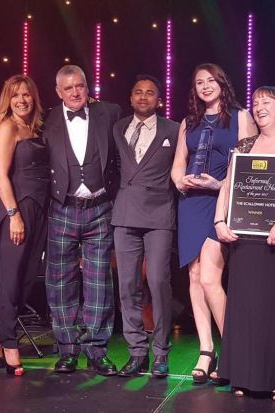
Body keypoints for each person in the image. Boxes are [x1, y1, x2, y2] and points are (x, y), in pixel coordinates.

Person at [214, 86, 275, 400]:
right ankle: (242, 375)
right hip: (245, 237)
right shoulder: (244, 145)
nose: (258, 107)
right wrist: (219, 221)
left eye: (265, 102)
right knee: (245, 305)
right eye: (255, 103)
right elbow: (228, 185)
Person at [171, 63, 257, 384]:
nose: (205, 86)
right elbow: (178, 165)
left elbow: (248, 166)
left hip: (221, 200)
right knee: (194, 277)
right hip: (191, 202)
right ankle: (207, 351)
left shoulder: (241, 116)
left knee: (210, 278)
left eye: (211, 80)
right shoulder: (188, 122)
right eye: (199, 82)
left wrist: (217, 185)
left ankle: (235, 350)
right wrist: (181, 181)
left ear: (222, 82)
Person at [44, 65, 121, 375]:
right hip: (62, 207)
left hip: (101, 207)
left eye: (80, 86)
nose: (75, 92)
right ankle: (67, 350)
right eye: (69, 88)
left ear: (88, 87)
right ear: (59, 92)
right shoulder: (45, 120)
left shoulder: (110, 112)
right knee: (60, 283)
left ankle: (97, 351)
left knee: (99, 280)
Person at [111, 75, 179, 378]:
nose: (143, 97)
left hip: (159, 214)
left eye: (150, 93)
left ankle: (161, 353)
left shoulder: (174, 130)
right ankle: (136, 351)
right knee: (127, 285)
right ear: (130, 98)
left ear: (159, 99)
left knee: (157, 281)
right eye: (137, 92)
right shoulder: (118, 127)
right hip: (125, 213)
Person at [0, 74, 49, 376]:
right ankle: (9, 344)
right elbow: (1, 174)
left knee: (26, 281)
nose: (22, 100)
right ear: (8, 99)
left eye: (27, 95)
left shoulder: (37, 128)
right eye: (16, 95)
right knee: (9, 281)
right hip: (15, 210)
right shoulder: (7, 127)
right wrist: (14, 215)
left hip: (39, 210)